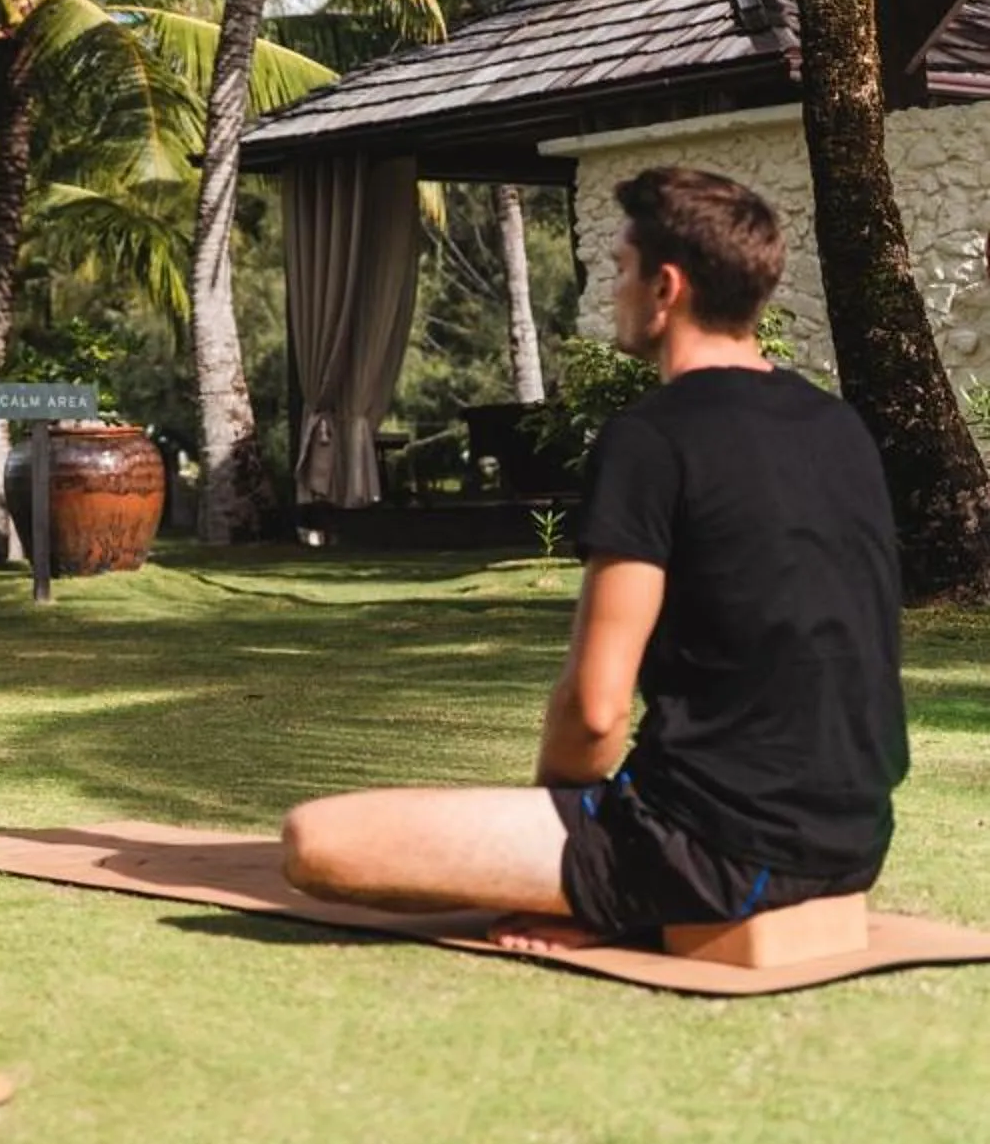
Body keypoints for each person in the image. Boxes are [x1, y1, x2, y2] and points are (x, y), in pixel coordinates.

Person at [279, 166, 907, 950]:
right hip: (854, 841)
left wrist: (576, 845)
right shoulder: (838, 427)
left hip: (712, 845)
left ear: (666, 287)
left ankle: (615, 895)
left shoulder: (651, 438)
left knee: (315, 839)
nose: (612, 291)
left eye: (619, 270)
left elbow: (596, 709)